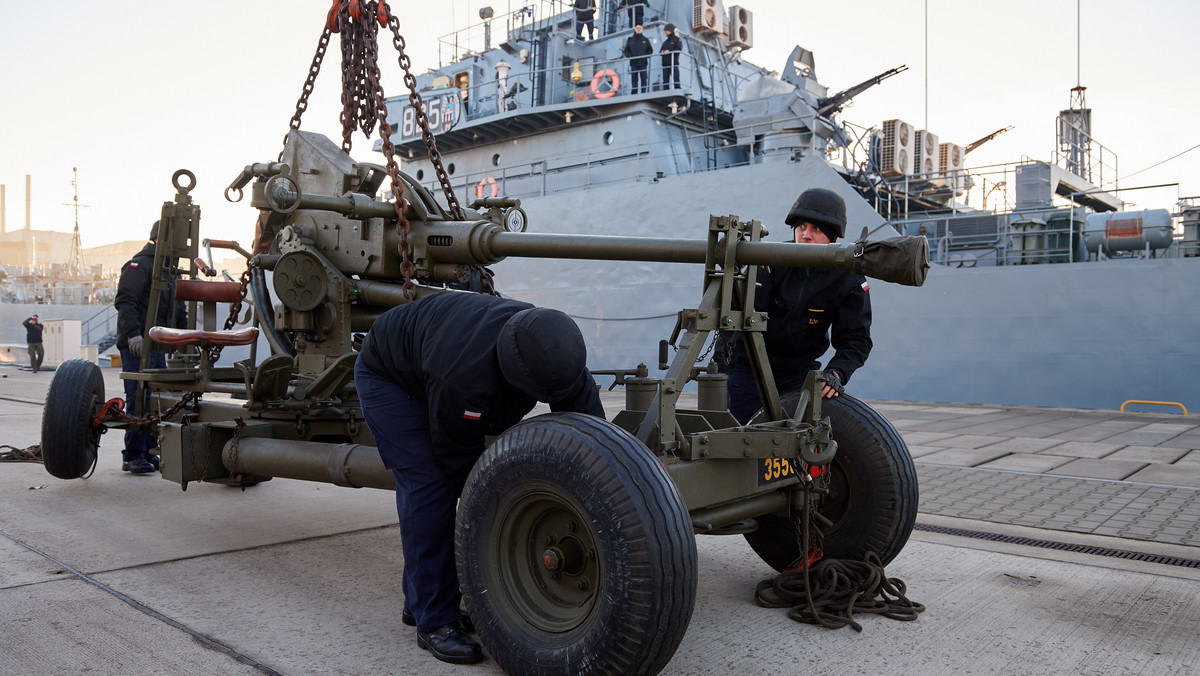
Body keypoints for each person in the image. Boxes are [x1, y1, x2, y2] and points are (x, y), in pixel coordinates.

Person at [354, 292, 605, 665]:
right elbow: (459, 463)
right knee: (430, 488)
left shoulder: (553, 350)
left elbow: (592, 436)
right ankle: (434, 621)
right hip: (388, 377)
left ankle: (419, 601)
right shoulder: (463, 379)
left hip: (433, 352)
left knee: (446, 488)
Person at [721, 188, 873, 424]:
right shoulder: (767, 263)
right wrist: (723, 379)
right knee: (734, 440)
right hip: (750, 371)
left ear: (832, 237)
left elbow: (856, 340)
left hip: (800, 374)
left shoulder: (848, 279)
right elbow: (730, 325)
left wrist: (836, 373)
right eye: (801, 227)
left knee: (800, 446)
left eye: (817, 229)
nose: (806, 235)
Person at [114, 221, 186, 474]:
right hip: (137, 346)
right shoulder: (140, 265)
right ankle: (132, 455)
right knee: (138, 398)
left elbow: (177, 308)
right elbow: (126, 301)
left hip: (157, 346)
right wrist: (133, 335)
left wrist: (182, 339)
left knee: (156, 400)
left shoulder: (168, 270)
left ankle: (147, 451)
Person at [623, 24, 653, 95]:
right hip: (634, 63)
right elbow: (626, 50)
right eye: (637, 28)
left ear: (642, 29)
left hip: (643, 63)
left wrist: (645, 56)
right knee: (634, 79)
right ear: (635, 29)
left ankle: (643, 92)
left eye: (640, 28)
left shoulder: (645, 40)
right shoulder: (630, 40)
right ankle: (634, 92)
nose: (638, 29)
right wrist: (630, 57)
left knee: (644, 78)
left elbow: (650, 50)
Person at [660, 23, 682, 89]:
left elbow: (678, 48)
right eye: (666, 31)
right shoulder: (665, 42)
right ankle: (666, 89)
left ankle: (677, 88)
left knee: (676, 77)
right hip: (666, 64)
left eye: (667, 30)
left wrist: (669, 51)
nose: (666, 32)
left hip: (673, 63)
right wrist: (662, 52)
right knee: (665, 79)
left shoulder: (677, 40)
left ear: (671, 30)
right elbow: (661, 50)